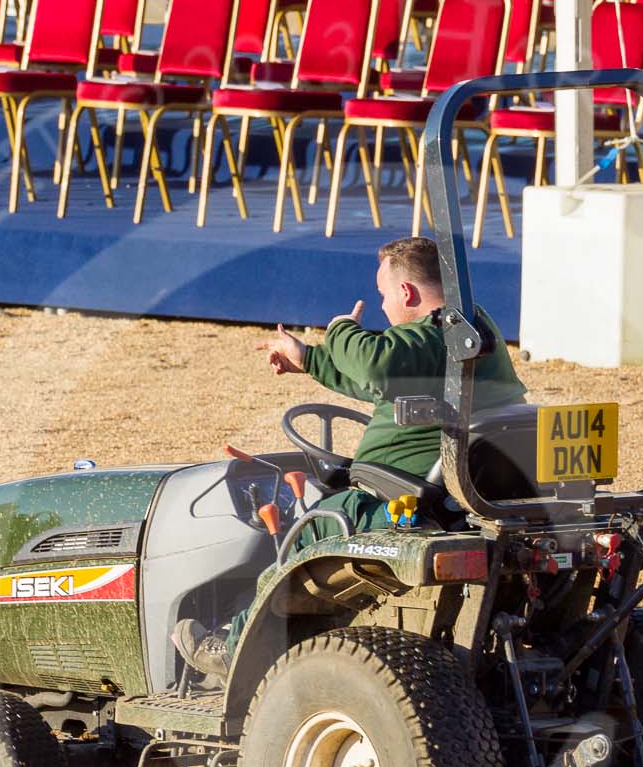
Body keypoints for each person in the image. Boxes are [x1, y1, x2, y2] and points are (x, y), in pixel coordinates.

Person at [171, 235, 527, 682]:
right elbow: (381, 381)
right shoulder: (471, 331)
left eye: (384, 296)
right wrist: (309, 359)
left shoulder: (441, 331)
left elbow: (376, 363)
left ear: (407, 293)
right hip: (449, 490)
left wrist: (340, 329)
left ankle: (233, 648)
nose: (383, 308)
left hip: (406, 499)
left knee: (307, 530)